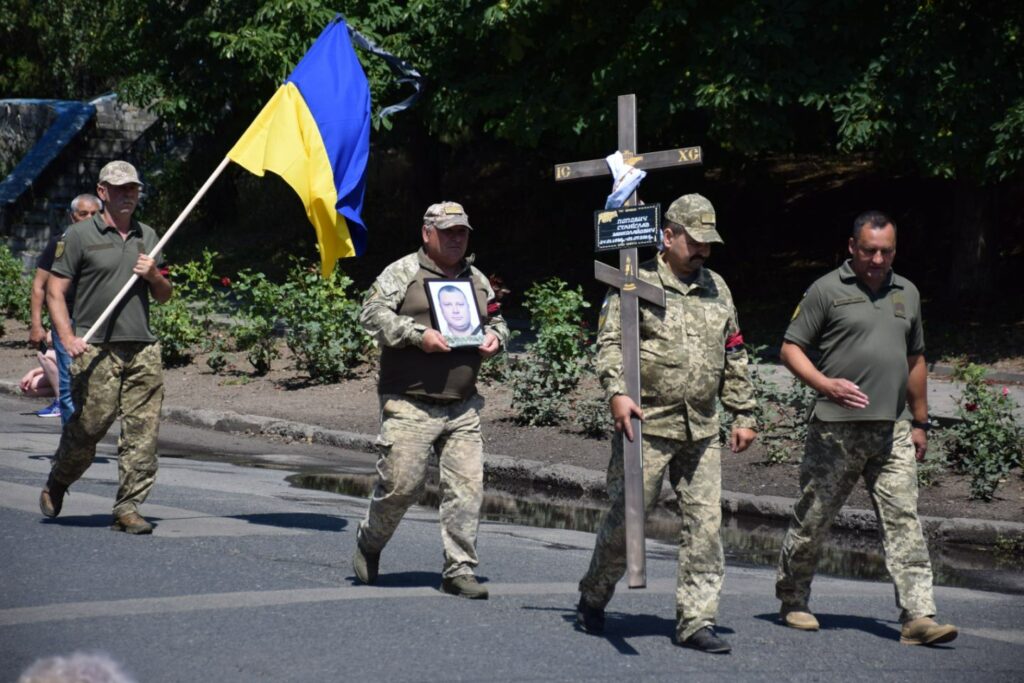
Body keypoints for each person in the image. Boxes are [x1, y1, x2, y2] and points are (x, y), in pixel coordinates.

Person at [576, 194, 757, 654]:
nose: (702, 252)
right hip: (646, 425)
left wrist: (743, 412)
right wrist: (617, 392)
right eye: (694, 242)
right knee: (626, 522)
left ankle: (697, 620)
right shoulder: (634, 283)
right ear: (668, 235)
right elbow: (611, 343)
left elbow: (734, 350)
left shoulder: (717, 287)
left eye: (708, 244)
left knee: (706, 526)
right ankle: (594, 594)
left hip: (701, 427)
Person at [775, 210, 957, 646]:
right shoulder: (826, 290)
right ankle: (793, 600)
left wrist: (920, 420)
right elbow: (790, 348)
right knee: (813, 519)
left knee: (904, 521)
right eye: (870, 250)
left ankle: (918, 616)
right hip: (835, 430)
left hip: (891, 430)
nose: (878, 259)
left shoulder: (906, 292)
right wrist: (824, 384)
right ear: (852, 247)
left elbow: (915, 360)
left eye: (887, 251)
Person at [353, 201, 509, 599]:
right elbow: (370, 314)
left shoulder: (476, 279)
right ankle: (370, 541)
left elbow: (497, 318)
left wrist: (497, 338)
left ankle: (459, 569)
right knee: (401, 487)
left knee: (467, 489)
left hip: (462, 405)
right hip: (410, 403)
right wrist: (415, 335)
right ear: (427, 233)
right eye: (448, 232)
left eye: (462, 232)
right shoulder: (403, 271)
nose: (456, 239)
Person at [38, 160, 172, 535]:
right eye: (119, 188)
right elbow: (55, 292)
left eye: (133, 188)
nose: (128, 194)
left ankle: (128, 508)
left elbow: (163, 295)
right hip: (95, 347)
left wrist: (153, 275)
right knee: (90, 425)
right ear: (103, 192)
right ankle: (60, 478)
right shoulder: (79, 237)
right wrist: (66, 337)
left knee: (142, 433)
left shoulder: (148, 235)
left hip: (142, 347)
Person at [29, 193, 102, 421]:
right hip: (66, 321)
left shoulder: (107, 244)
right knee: (69, 379)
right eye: (83, 214)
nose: (89, 218)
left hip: (99, 320)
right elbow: (39, 286)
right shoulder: (59, 243)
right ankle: (71, 443)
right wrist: (36, 325)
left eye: (94, 214)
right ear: (73, 217)